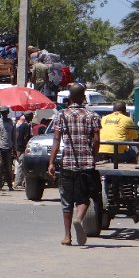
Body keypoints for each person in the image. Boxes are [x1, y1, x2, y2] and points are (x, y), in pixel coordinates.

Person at [48, 83, 101, 246]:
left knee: (66, 200)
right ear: (84, 97)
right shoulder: (92, 115)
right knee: (85, 197)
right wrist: (92, 156)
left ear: (69, 98)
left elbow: (56, 140)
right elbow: (97, 140)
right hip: (86, 164)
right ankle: (78, 219)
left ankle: (67, 236)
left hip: (67, 163)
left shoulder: (61, 115)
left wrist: (51, 163)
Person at [0, 106, 17, 191]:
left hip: (9, 147)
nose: (3, 114)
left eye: (4, 112)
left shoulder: (12, 122)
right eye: (2, 112)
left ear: (7, 113)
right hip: (0, 147)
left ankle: (10, 185)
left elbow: (14, 137)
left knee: (8, 168)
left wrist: (15, 148)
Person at [14, 112, 34, 189]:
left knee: (23, 165)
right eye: (31, 116)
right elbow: (23, 138)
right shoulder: (25, 125)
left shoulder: (26, 125)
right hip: (22, 148)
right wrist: (24, 147)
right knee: (20, 165)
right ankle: (17, 183)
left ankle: (22, 183)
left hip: (23, 147)